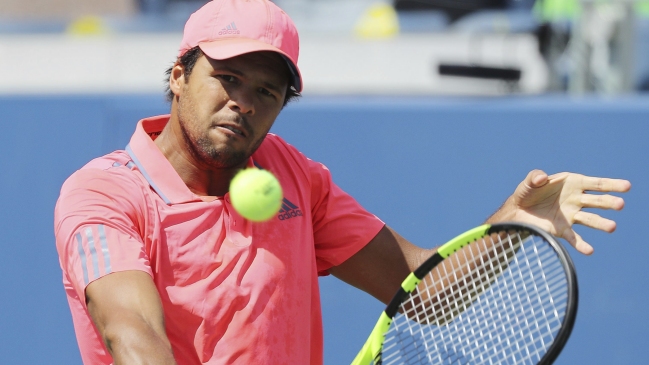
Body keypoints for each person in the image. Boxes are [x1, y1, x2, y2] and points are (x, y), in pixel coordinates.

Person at [53, 0, 631, 364]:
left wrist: (508, 226)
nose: (242, 103)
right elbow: (133, 336)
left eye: (266, 92)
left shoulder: (294, 177)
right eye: (226, 78)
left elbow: (419, 289)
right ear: (179, 76)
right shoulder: (105, 194)